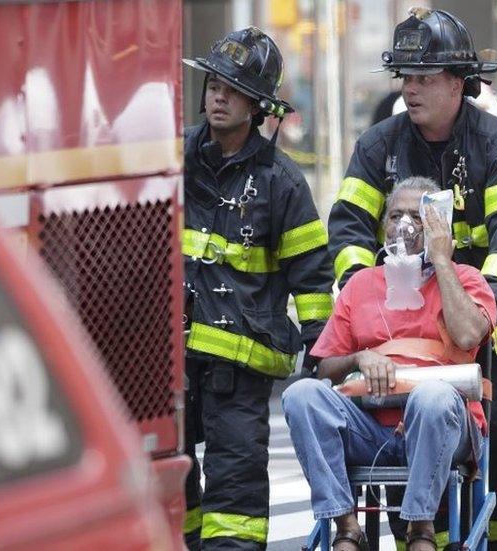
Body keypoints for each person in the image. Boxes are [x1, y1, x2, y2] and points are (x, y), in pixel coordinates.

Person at [328, 8, 497, 550]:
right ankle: (422, 536)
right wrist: (372, 303)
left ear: (458, 84)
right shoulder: (378, 148)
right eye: (405, 78)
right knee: (401, 448)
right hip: (399, 341)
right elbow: (345, 232)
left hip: (480, 341)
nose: (410, 90)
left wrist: (475, 318)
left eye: (424, 79)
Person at [284, 176, 497, 551]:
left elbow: (467, 337)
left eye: (417, 216)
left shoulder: (467, 280)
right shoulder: (361, 284)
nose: (404, 225)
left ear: (438, 225)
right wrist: (359, 357)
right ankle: (346, 526)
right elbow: (324, 367)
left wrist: (442, 259)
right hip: (370, 427)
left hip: (442, 423)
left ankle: (420, 529)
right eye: (395, 214)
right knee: (301, 395)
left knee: (431, 396)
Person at [181, 27, 334, 550]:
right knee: (173, 488)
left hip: (240, 371)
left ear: (260, 105)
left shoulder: (282, 182)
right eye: (213, 84)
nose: (218, 96)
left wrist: (324, 354)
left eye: (233, 88)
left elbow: (312, 278)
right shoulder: (174, 159)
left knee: (236, 498)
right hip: (170, 363)